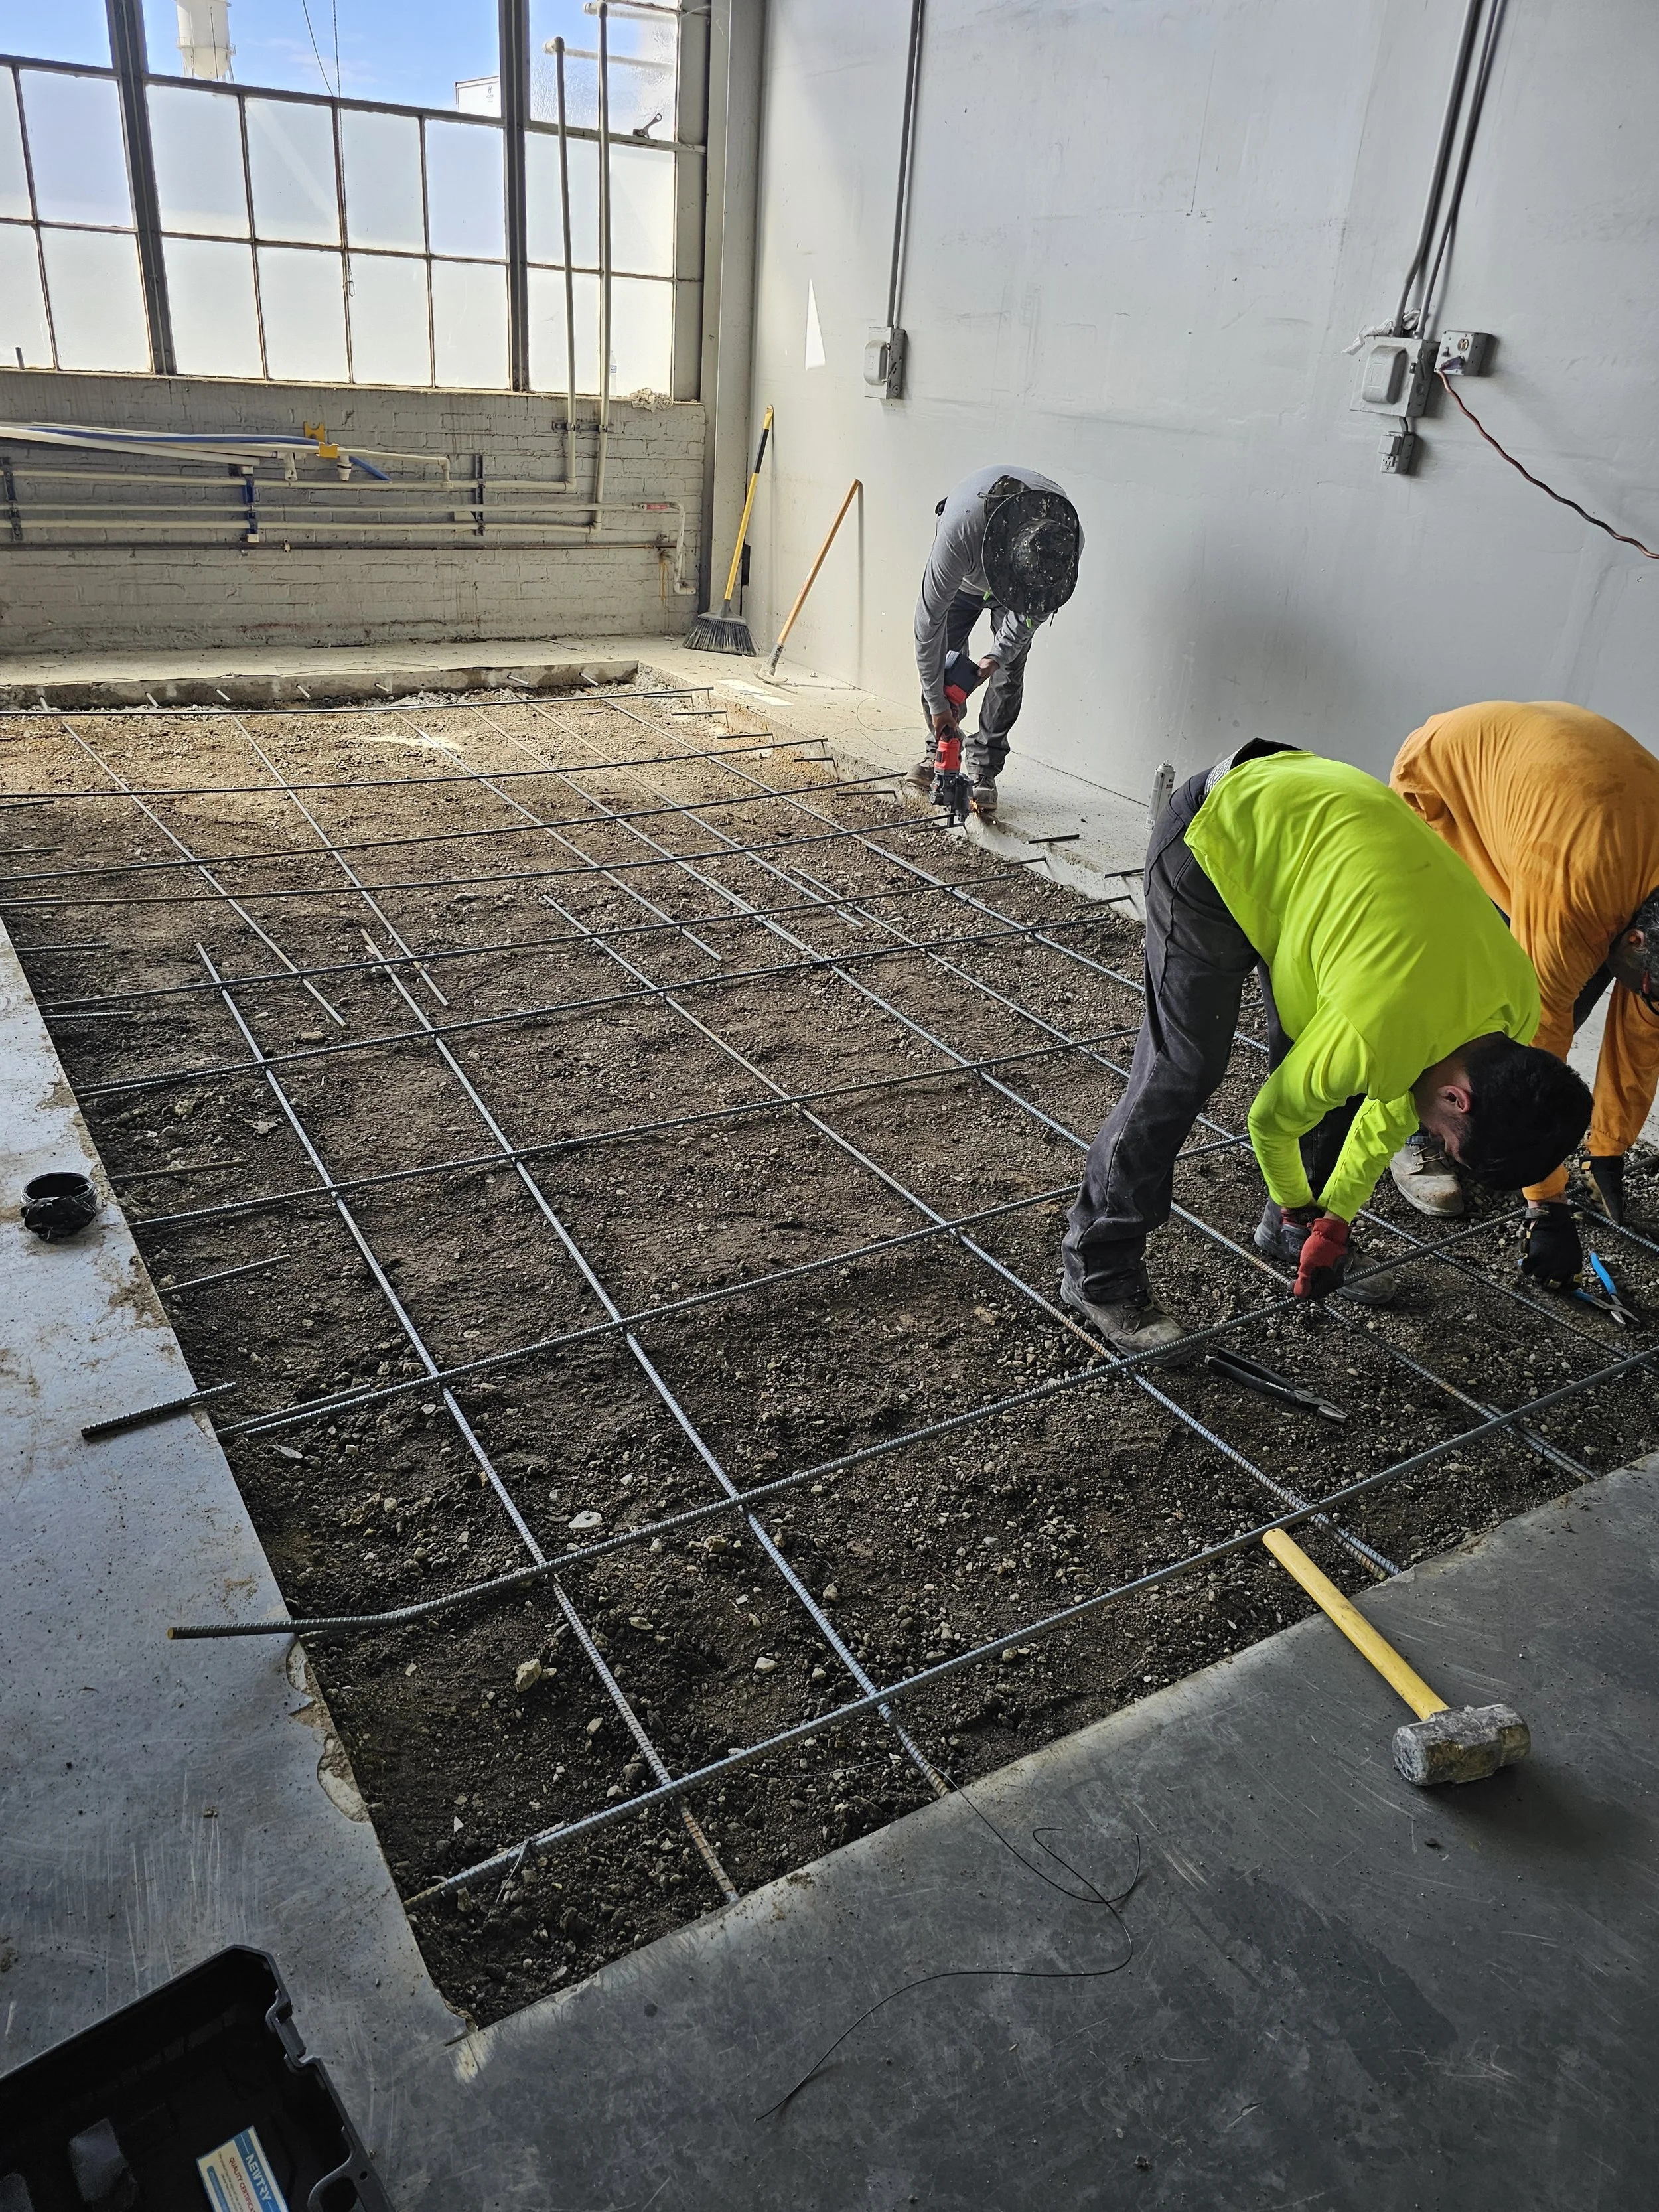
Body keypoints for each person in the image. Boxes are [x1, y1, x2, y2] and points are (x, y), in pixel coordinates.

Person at [1060, 743, 1593, 1355]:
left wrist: (1333, 1220)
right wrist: (1297, 1206)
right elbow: (1270, 1120)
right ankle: (1098, 1269)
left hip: (1321, 844)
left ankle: (1292, 1231)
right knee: (1183, 1066)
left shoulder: (1513, 1009)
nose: (1432, 1144)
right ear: (1460, 1098)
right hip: (1222, 830)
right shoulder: (1379, 1031)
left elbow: (1395, 1105)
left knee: (1331, 1070)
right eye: (1445, 1142)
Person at [1390, 701, 1659, 1285]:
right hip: (1447, 787)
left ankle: (1510, 1142)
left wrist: (1608, 1149)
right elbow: (1532, 1045)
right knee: (1470, 996)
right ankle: (1421, 1129)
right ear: (1634, 936)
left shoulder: (1642, 929)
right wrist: (1547, 1205)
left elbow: (1644, 1023)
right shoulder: (1581, 897)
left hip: (1569, 796)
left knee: (1583, 982)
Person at [909, 466, 1082, 823]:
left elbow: (1031, 614)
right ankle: (940, 747)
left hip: (1020, 594)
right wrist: (939, 704)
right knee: (944, 664)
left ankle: (984, 767)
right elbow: (929, 627)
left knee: (1010, 671)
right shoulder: (960, 533)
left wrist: (997, 656)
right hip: (964, 581)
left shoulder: (1062, 548)